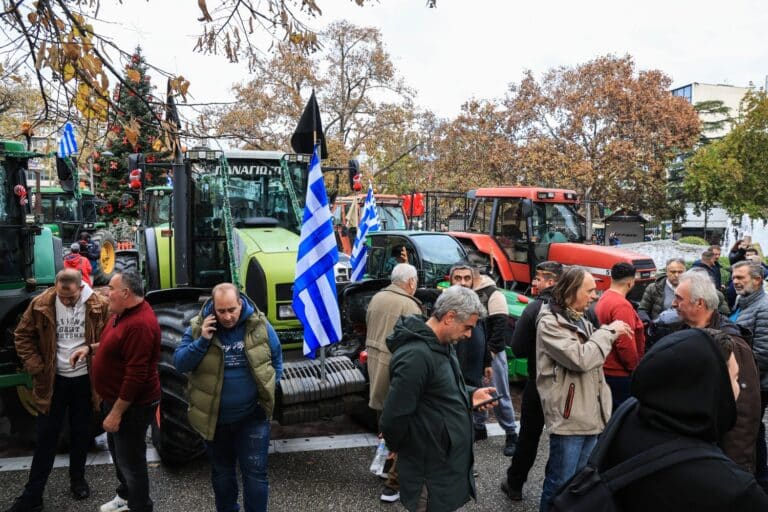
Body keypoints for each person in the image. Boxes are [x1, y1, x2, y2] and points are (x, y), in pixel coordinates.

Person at [603, 329, 768, 511]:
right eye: (736, 378)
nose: (739, 387)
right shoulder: (734, 488)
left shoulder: (626, 418)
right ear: (713, 386)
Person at [380, 285, 497, 512]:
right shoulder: (416, 355)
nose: (469, 335)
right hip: (430, 469)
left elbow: (442, 389)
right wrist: (397, 445)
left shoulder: (443, 345)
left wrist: (471, 394)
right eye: (467, 327)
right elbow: (394, 416)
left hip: (444, 464)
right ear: (449, 317)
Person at [5, 270, 109, 512]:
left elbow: (110, 338)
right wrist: (35, 366)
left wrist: (94, 353)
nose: (66, 301)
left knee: (81, 432)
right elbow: (22, 335)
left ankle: (78, 479)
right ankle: (33, 495)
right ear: (55, 286)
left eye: (71, 298)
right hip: (53, 381)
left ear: (80, 287)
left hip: (85, 380)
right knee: (46, 438)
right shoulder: (41, 303)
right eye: (62, 297)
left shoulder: (98, 304)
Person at [174, 283, 283, 512]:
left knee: (255, 475)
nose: (227, 316)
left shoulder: (259, 325)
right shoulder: (197, 327)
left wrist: (270, 388)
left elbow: (276, 359)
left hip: (252, 416)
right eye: (221, 311)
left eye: (232, 309)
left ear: (240, 303)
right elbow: (180, 363)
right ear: (213, 306)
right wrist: (202, 340)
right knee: (222, 477)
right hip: (215, 420)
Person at [536, 266, 631, 512]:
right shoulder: (550, 322)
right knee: (560, 483)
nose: (594, 297)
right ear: (571, 291)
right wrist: (609, 331)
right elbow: (581, 358)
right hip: (570, 418)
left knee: (579, 484)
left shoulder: (581, 317)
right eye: (589, 291)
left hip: (590, 414)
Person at [71, 271, 161, 512]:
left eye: (110, 288)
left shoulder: (140, 325)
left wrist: (116, 414)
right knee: (118, 453)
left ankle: (140, 506)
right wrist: (90, 349)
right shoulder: (121, 314)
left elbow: (136, 376)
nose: (105, 292)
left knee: (131, 460)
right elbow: (116, 345)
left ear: (125, 293)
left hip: (132, 406)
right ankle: (125, 496)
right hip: (115, 400)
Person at [671, 269, 761, 472]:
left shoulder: (732, 345)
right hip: (692, 451)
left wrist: (735, 466)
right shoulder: (684, 332)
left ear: (699, 304)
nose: (673, 304)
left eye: (679, 298)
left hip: (720, 459)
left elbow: (745, 411)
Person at [502, 261, 563, 502]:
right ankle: (555, 486)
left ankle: (515, 483)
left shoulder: (534, 309)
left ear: (550, 281)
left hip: (538, 381)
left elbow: (517, 347)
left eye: (537, 279)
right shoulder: (577, 307)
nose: (534, 283)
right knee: (562, 436)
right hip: (567, 384)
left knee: (529, 434)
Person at [363, 263, 422, 503]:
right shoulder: (409, 304)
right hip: (396, 370)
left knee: (384, 423)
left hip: (375, 365)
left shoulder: (377, 297)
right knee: (402, 425)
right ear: (410, 282)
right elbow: (417, 342)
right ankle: (393, 482)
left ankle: (385, 466)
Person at [464, 250, 518, 456]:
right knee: (477, 390)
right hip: (473, 353)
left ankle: (511, 433)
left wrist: (491, 354)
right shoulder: (469, 290)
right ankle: (479, 427)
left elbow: (499, 329)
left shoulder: (493, 294)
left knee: (498, 393)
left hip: (491, 354)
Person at [730, 261, 768, 488]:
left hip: (755, 384)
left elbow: (763, 353)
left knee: (752, 429)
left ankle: (761, 480)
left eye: (741, 278)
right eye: (734, 277)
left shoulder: (764, 308)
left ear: (758, 280)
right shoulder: (742, 302)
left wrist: (740, 379)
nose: (735, 281)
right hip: (742, 380)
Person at [449, 263, 492, 441]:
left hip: (474, 372)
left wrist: (487, 362)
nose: (463, 282)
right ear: (450, 281)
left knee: (470, 423)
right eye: (458, 278)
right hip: (454, 375)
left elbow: (484, 333)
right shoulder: (447, 308)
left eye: (467, 278)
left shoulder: (476, 304)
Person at [595, 262, 646, 409]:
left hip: (605, 367)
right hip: (618, 373)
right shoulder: (621, 305)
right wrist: (634, 368)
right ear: (630, 283)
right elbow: (625, 343)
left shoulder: (605, 297)